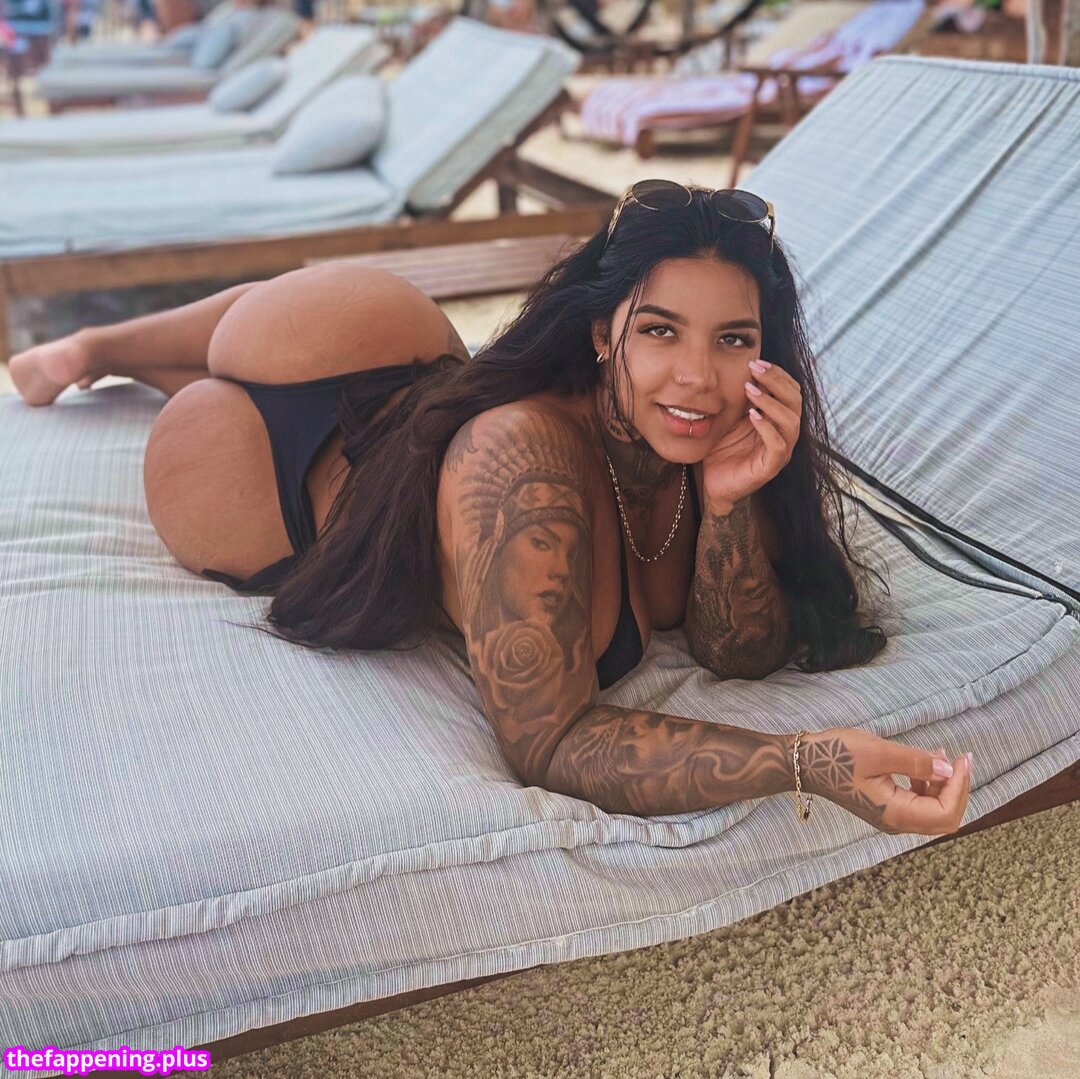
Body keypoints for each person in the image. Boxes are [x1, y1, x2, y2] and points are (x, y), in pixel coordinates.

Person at [9, 180, 974, 834]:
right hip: (277, 456)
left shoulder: (708, 448)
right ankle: (98, 349)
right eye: (660, 330)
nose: (697, 377)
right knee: (223, 364)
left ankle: (105, 353)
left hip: (425, 400)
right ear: (601, 334)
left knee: (282, 337)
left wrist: (729, 505)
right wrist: (808, 763)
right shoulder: (523, 461)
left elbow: (739, 651)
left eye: (732, 339)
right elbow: (549, 737)